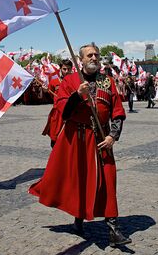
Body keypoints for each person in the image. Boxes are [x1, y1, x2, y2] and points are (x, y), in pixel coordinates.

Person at [29, 43, 132, 247]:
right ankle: (78, 219)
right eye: (90, 55)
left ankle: (113, 229)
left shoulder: (108, 81)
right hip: (77, 137)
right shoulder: (70, 81)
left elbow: (118, 112)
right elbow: (63, 111)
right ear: (81, 59)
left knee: (109, 180)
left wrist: (113, 136)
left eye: (96, 55)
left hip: (102, 137)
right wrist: (77, 95)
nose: (94, 58)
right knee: (79, 179)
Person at [42, 59, 73, 147]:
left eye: (68, 69)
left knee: (69, 140)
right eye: (64, 69)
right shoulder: (54, 82)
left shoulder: (75, 81)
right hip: (57, 114)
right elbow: (50, 98)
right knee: (55, 140)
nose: (66, 71)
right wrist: (45, 91)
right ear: (60, 69)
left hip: (71, 114)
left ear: (71, 69)